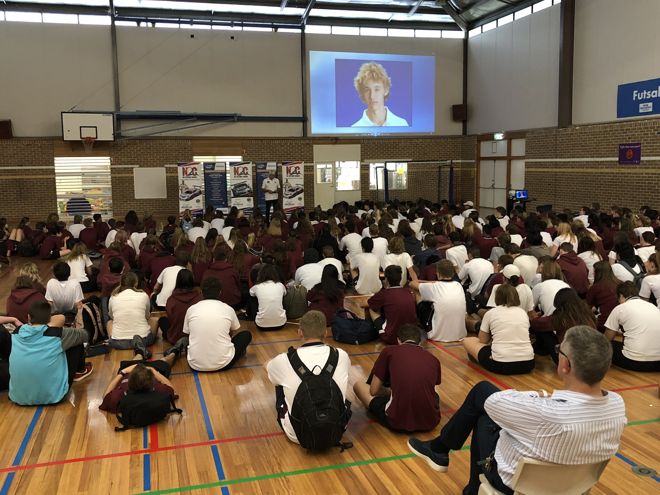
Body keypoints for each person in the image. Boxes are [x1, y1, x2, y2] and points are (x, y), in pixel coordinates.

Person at [408, 326, 627, 495]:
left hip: (515, 485)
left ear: (565, 365)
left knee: (483, 398)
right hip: (573, 486)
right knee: (489, 412)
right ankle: (449, 461)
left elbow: (495, 402)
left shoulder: (545, 413)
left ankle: (442, 452)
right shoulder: (617, 405)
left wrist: (536, 395)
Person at [266, 310, 351, 445]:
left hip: (297, 435)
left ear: (300, 332)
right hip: (337, 430)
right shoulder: (341, 355)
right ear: (325, 333)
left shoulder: (285, 360)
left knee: (278, 383)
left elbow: (271, 375)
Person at [353, 324, 441, 432]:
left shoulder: (389, 351)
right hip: (431, 421)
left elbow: (373, 391)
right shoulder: (433, 359)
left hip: (397, 421)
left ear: (398, 340)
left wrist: (388, 391)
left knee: (358, 386)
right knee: (433, 394)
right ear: (420, 342)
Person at [9, 301, 93, 405]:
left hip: (18, 397)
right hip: (55, 396)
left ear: (29, 317)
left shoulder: (16, 333)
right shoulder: (57, 334)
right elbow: (85, 335)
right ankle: (81, 370)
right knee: (75, 342)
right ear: (49, 319)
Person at [166, 277, 252, 372]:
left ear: (201, 292)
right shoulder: (228, 309)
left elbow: (187, 333)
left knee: (186, 339)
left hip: (194, 364)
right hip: (223, 364)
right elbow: (234, 329)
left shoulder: (191, 309)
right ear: (220, 292)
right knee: (246, 335)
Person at [463, 284, 534, 375]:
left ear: (497, 297)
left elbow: (482, 340)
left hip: (501, 364)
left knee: (468, 341)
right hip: (528, 363)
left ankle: (480, 361)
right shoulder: (523, 313)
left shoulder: (491, 313)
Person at [604, 281, 660, 371]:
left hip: (635, 362)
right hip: (658, 363)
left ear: (621, 295)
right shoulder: (652, 306)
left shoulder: (620, 308)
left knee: (606, 345)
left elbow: (606, 339)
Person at [410, 259, 467, 342]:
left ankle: (419, 322)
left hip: (437, 335)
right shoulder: (458, 285)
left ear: (438, 273)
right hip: (460, 334)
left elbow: (412, 283)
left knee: (418, 292)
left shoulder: (434, 287)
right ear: (453, 273)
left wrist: (429, 282)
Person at [99, 356, 177, 415]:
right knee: (163, 363)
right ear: (151, 381)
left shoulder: (120, 395)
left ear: (129, 382)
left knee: (133, 360)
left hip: (129, 368)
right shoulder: (159, 389)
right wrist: (153, 371)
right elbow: (171, 388)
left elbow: (106, 396)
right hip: (151, 368)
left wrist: (123, 372)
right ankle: (173, 352)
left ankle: (140, 353)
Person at [107, 272, 158, 358]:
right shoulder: (143, 295)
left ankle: (111, 339)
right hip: (144, 339)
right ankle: (140, 346)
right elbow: (147, 316)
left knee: (109, 322)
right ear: (136, 283)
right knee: (154, 320)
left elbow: (112, 317)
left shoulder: (113, 297)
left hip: (118, 342)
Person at [367, 265, 417, 345]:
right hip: (411, 337)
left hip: (392, 338)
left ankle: (377, 330)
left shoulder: (384, 294)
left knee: (371, 308)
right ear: (400, 278)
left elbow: (366, 303)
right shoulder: (408, 292)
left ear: (386, 279)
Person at [351, 62, 409, 127]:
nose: (372, 96)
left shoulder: (401, 124)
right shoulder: (355, 128)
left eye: (377, 89)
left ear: (386, 90)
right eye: (367, 90)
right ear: (362, 93)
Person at [160, 269, 202, 345]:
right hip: (194, 338)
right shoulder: (199, 297)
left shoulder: (172, 299)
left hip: (176, 338)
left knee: (162, 320)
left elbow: (171, 318)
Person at [249, 264, 287, 331]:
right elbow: (285, 293)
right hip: (281, 324)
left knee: (253, 297)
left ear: (260, 274)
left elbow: (251, 293)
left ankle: (251, 316)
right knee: (281, 296)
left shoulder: (257, 286)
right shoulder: (280, 285)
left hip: (261, 325)